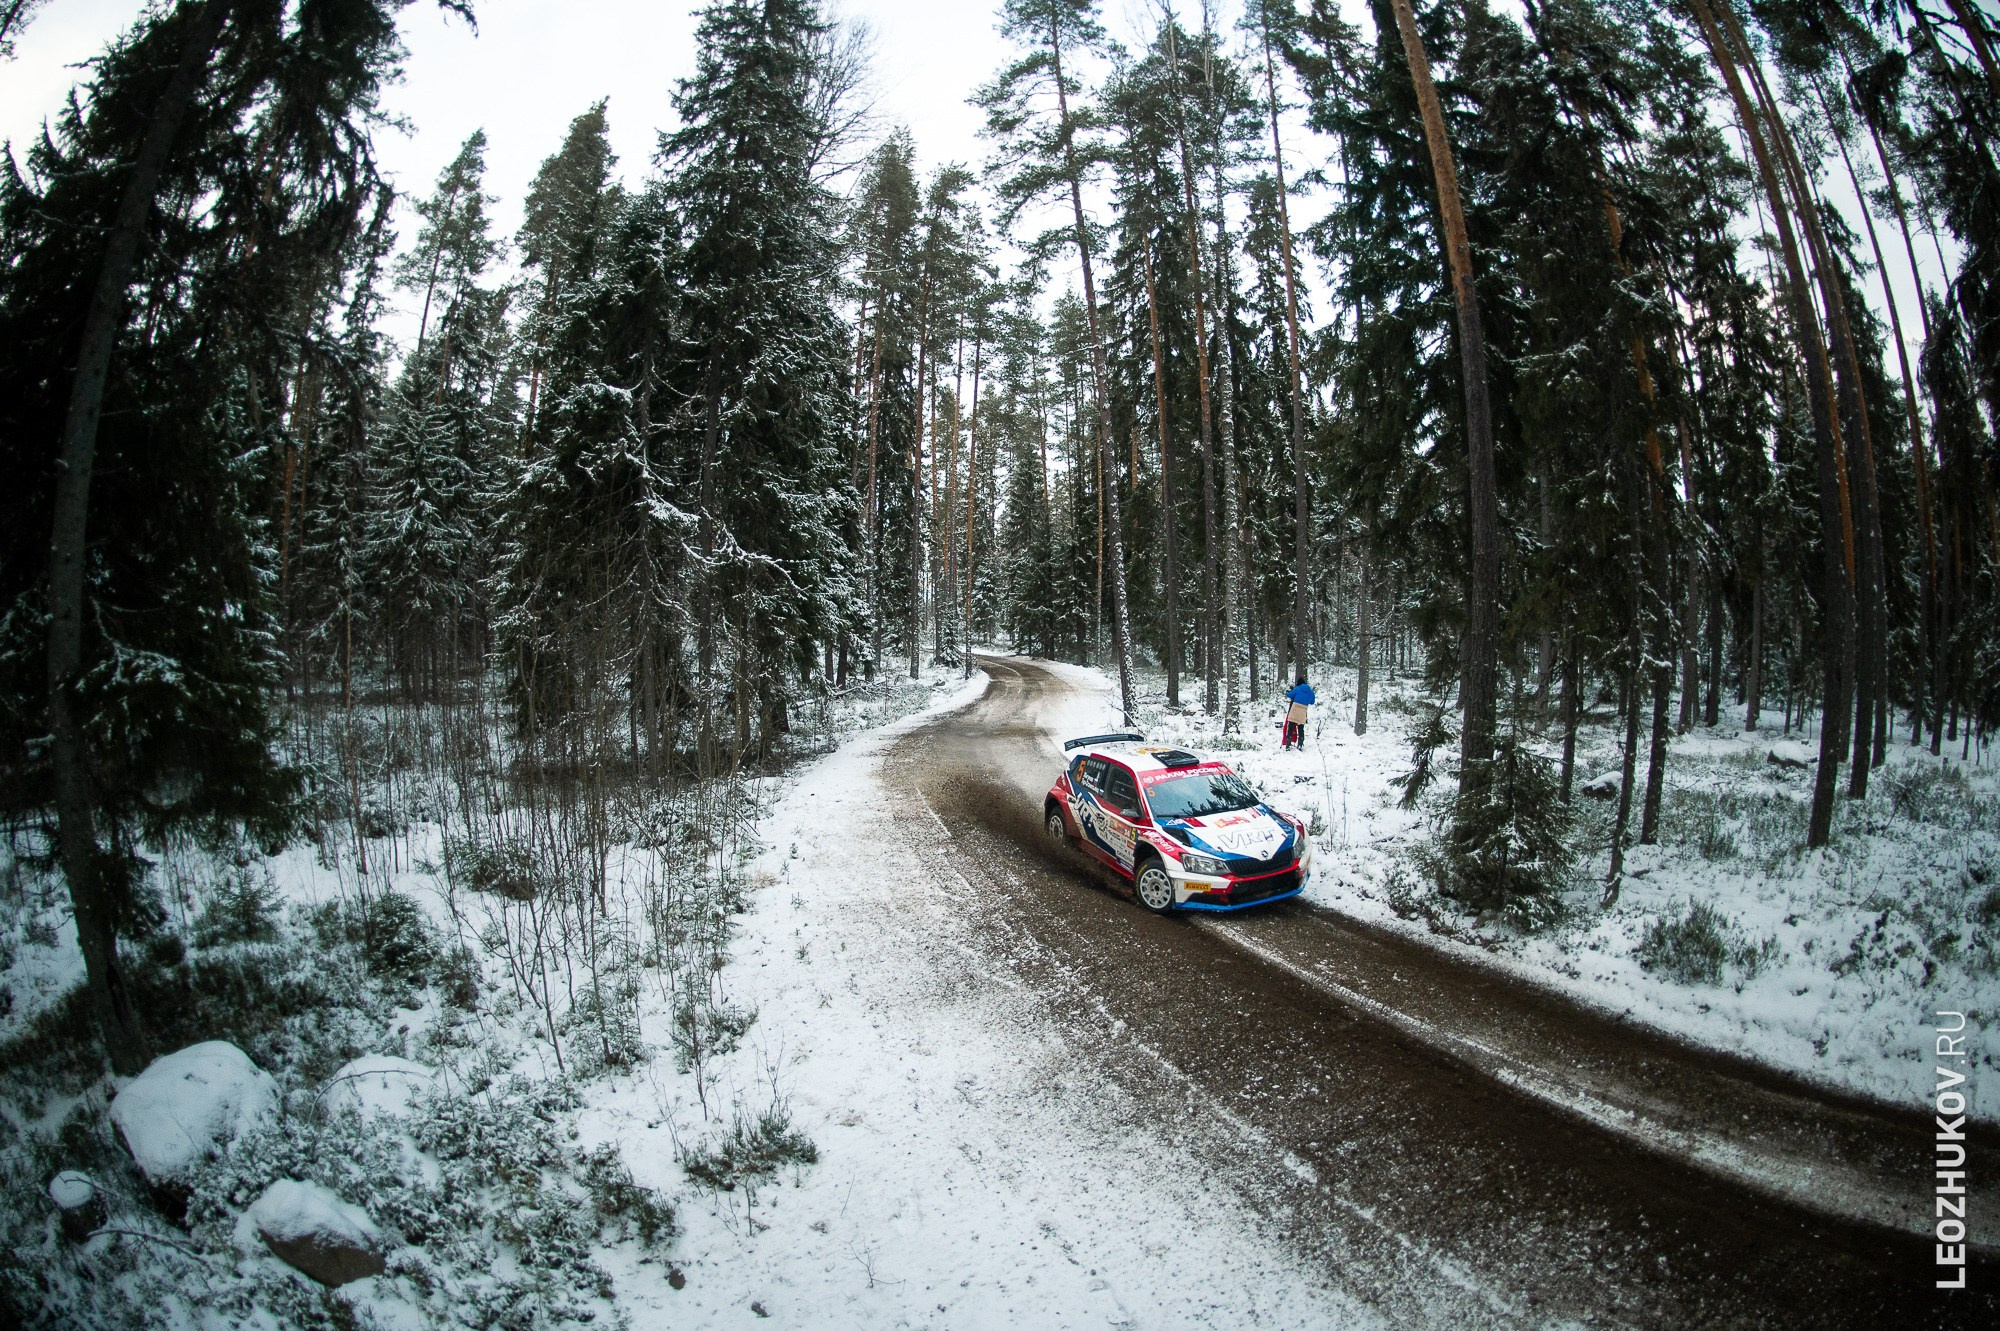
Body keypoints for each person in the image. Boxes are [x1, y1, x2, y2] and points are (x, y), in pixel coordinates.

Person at [1282, 674, 1315, 750]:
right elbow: (1312, 702)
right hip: (1303, 710)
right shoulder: (1310, 691)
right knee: (1301, 728)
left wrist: (1287, 692)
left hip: (1295, 709)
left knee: (1290, 727)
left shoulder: (1297, 688)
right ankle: (1300, 744)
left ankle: (1288, 743)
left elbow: (1289, 695)